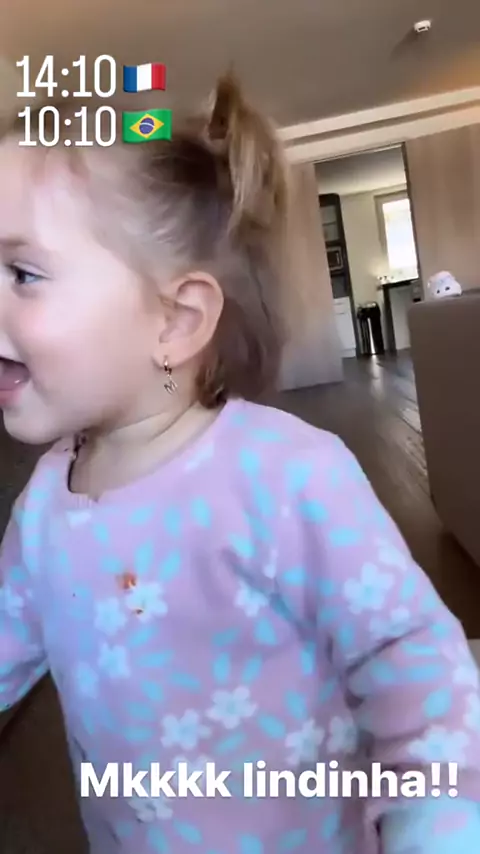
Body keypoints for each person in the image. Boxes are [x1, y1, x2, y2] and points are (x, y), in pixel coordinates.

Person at [0, 74, 479, 854]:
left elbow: (410, 657)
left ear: (175, 320)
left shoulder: (286, 476)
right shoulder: (44, 506)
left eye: (22, 274)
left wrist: (436, 818)